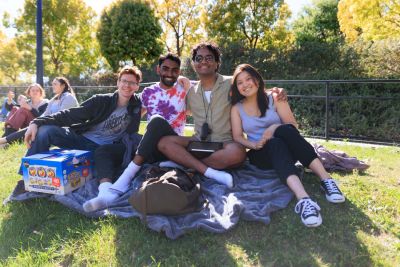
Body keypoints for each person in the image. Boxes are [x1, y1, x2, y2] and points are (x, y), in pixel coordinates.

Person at [230, 64, 345, 227]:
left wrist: (272, 128)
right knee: (275, 143)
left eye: (248, 79)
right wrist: (254, 144)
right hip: (261, 154)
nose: (245, 84)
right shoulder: (237, 108)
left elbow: (292, 125)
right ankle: (304, 200)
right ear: (236, 87)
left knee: (284, 130)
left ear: (257, 80)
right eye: (239, 82)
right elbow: (237, 136)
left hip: (286, 146)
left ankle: (327, 180)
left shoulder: (275, 97)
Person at [157, 42, 286, 188]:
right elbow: (174, 101)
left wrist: (276, 91)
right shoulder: (191, 92)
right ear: (193, 64)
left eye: (209, 58)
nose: (204, 61)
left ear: (217, 63)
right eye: (198, 58)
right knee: (164, 143)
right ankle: (204, 169)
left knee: (238, 153)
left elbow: (253, 89)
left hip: (225, 144)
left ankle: (185, 165)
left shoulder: (232, 83)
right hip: (198, 141)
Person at [83, 53, 201, 212]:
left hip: (171, 146)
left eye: (174, 70)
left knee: (157, 121)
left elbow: (197, 110)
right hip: (149, 146)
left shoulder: (186, 87)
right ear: (158, 69)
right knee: (104, 150)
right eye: (165, 69)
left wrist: (188, 88)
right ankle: (105, 193)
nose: (169, 73)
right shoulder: (148, 92)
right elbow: (135, 114)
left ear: (179, 72)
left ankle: (126, 178)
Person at [11, 66, 142, 196]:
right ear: (118, 82)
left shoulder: (137, 106)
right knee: (45, 130)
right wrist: (37, 122)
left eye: (132, 83)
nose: (127, 85)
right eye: (124, 81)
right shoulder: (101, 100)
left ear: (137, 86)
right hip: (81, 139)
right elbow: (71, 114)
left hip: (102, 150)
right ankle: (25, 180)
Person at [0, 77, 78, 146]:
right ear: (29, 93)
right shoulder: (53, 99)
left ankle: (4, 141)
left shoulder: (68, 97)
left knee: (32, 125)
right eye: (52, 84)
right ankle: (5, 141)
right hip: (50, 123)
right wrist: (35, 122)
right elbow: (45, 114)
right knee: (29, 122)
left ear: (63, 85)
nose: (52, 86)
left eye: (55, 84)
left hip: (62, 127)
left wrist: (37, 120)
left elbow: (62, 116)